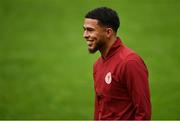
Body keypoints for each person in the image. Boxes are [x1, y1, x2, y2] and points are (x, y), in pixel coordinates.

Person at [83, 7, 151, 120]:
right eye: (84, 29)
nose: (85, 34)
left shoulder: (130, 62)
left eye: (90, 30)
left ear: (108, 32)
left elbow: (143, 113)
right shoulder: (98, 64)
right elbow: (100, 108)